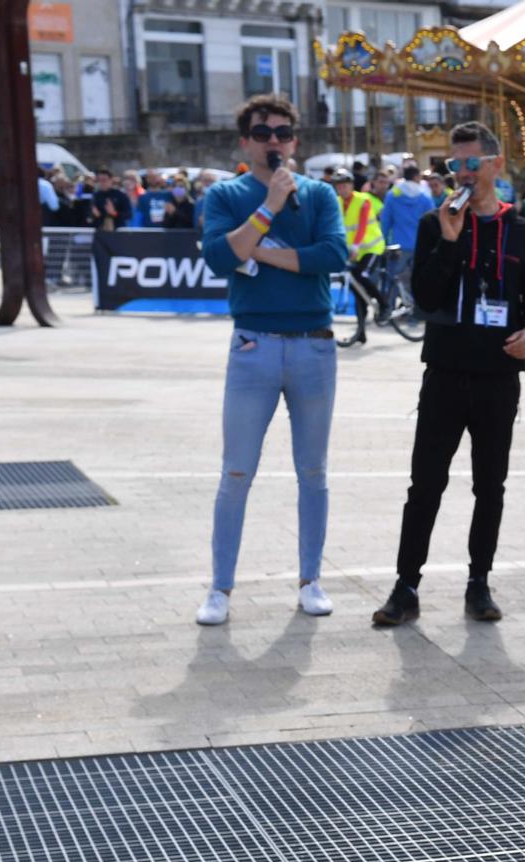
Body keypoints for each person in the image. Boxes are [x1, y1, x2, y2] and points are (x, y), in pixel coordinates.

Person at [372, 121, 525, 628]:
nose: (463, 174)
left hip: (498, 378)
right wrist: (450, 243)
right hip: (445, 375)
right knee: (424, 485)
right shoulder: (436, 224)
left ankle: (479, 581)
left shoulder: (524, 232)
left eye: (472, 163)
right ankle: (406, 586)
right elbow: (425, 299)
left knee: (489, 486)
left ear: (495, 164)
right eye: (454, 165)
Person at [193, 93, 350, 627]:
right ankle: (220, 589)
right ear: (245, 141)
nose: (274, 142)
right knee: (236, 471)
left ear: (295, 140)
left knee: (313, 470)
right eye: (263, 133)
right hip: (253, 345)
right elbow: (217, 256)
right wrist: (268, 212)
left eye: (282, 133)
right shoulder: (227, 195)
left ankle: (311, 580)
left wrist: (256, 250)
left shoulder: (320, 194)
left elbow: (332, 256)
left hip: (313, 344)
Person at [332, 168, 386, 343]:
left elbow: (362, 225)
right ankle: (361, 332)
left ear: (351, 185)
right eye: (339, 186)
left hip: (371, 247)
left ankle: (384, 304)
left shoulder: (363, 200)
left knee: (362, 276)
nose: (342, 189)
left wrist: (355, 247)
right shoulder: (336, 202)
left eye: (345, 185)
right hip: (353, 252)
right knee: (358, 291)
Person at [380, 161, 436, 297]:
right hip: (420, 246)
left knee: (392, 279)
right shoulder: (425, 198)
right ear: (417, 177)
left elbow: (385, 221)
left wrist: (383, 242)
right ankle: (415, 312)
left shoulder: (393, 196)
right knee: (418, 281)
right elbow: (433, 223)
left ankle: (389, 310)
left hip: (397, 245)